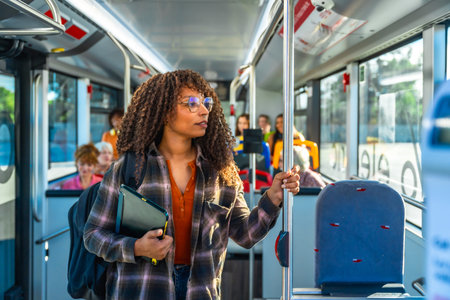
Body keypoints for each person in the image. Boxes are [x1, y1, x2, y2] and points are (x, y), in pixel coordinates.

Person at [83, 70, 300, 300]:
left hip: (200, 289)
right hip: (142, 289)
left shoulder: (221, 171)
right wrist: (137, 247)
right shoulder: (129, 169)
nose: (205, 110)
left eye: (206, 103)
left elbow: (246, 234)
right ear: (165, 112)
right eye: (192, 104)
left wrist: (274, 197)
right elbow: (93, 235)